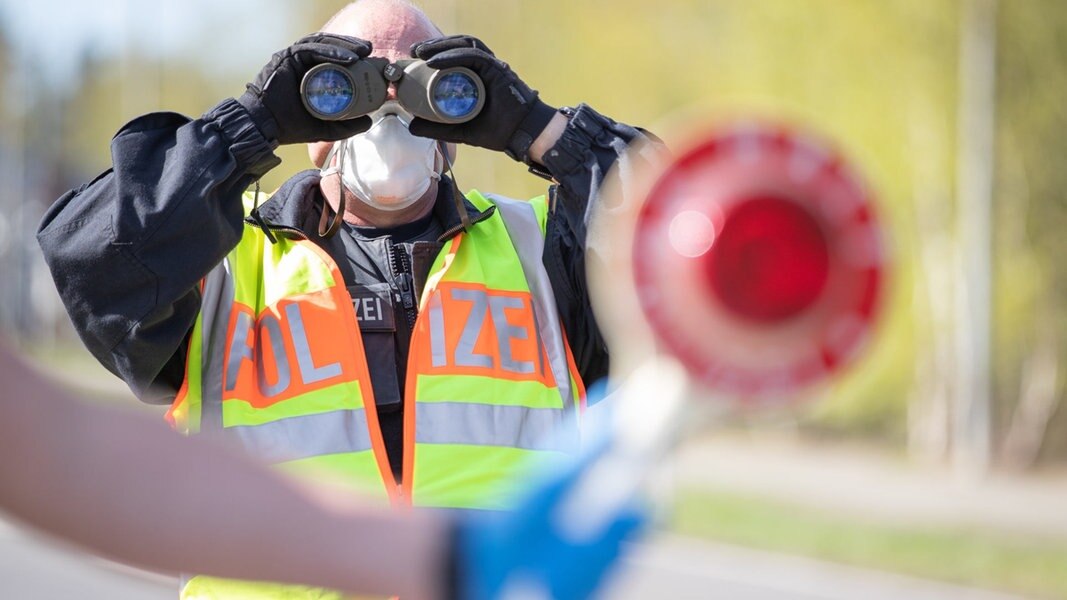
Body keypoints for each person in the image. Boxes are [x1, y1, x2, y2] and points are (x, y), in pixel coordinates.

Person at [38, 0, 658, 597]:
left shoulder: (540, 253)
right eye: (348, 89)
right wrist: (251, 124)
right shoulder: (223, 262)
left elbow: (689, 236)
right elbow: (92, 256)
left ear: (461, 122)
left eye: (424, 88)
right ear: (313, 121)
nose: (391, 112)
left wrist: (538, 128)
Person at [0, 340, 643, 600]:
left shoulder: (527, 235)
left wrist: (448, 557)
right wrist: (250, 122)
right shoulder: (233, 246)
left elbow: (60, 449)